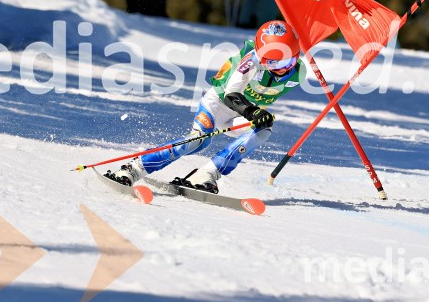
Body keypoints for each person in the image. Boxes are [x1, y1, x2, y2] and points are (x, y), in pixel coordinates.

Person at [106, 20, 306, 192]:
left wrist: (259, 116)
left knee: (264, 130)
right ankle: (134, 168)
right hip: (217, 105)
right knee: (197, 141)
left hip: (241, 115)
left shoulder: (299, 73)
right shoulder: (251, 61)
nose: (282, 68)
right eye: (272, 63)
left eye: (288, 61)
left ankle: (206, 173)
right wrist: (253, 112)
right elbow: (231, 95)